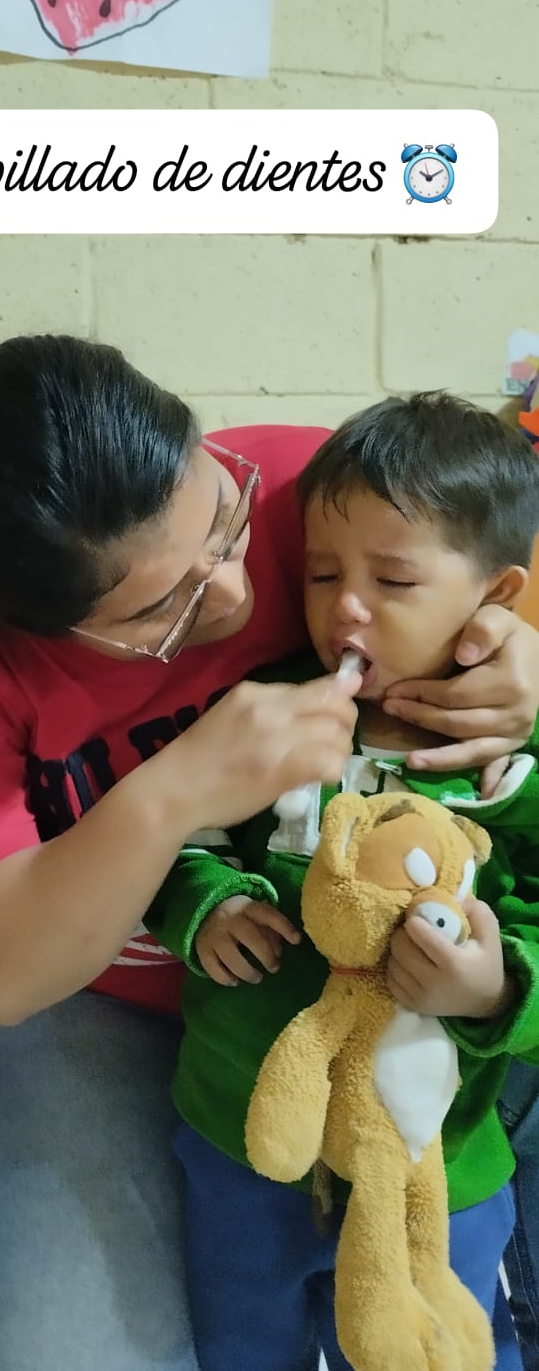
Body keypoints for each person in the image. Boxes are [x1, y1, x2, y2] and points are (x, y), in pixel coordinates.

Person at [0, 333, 539, 1371]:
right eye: (160, 609)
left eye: (223, 525)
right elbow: (0, 970)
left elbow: (492, 572)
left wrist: (523, 655)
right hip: (111, 997)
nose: (235, 592)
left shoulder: (314, 491)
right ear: (26, 621)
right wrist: (178, 789)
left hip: (395, 997)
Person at [142, 393, 539, 1371]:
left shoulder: (517, 771)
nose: (345, 607)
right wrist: (208, 906)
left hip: (435, 1165)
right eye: (323, 574)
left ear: (496, 596)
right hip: (243, 1139)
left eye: (392, 578)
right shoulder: (266, 711)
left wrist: (493, 988)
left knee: (439, 1348)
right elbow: (173, 838)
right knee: (243, 1346)